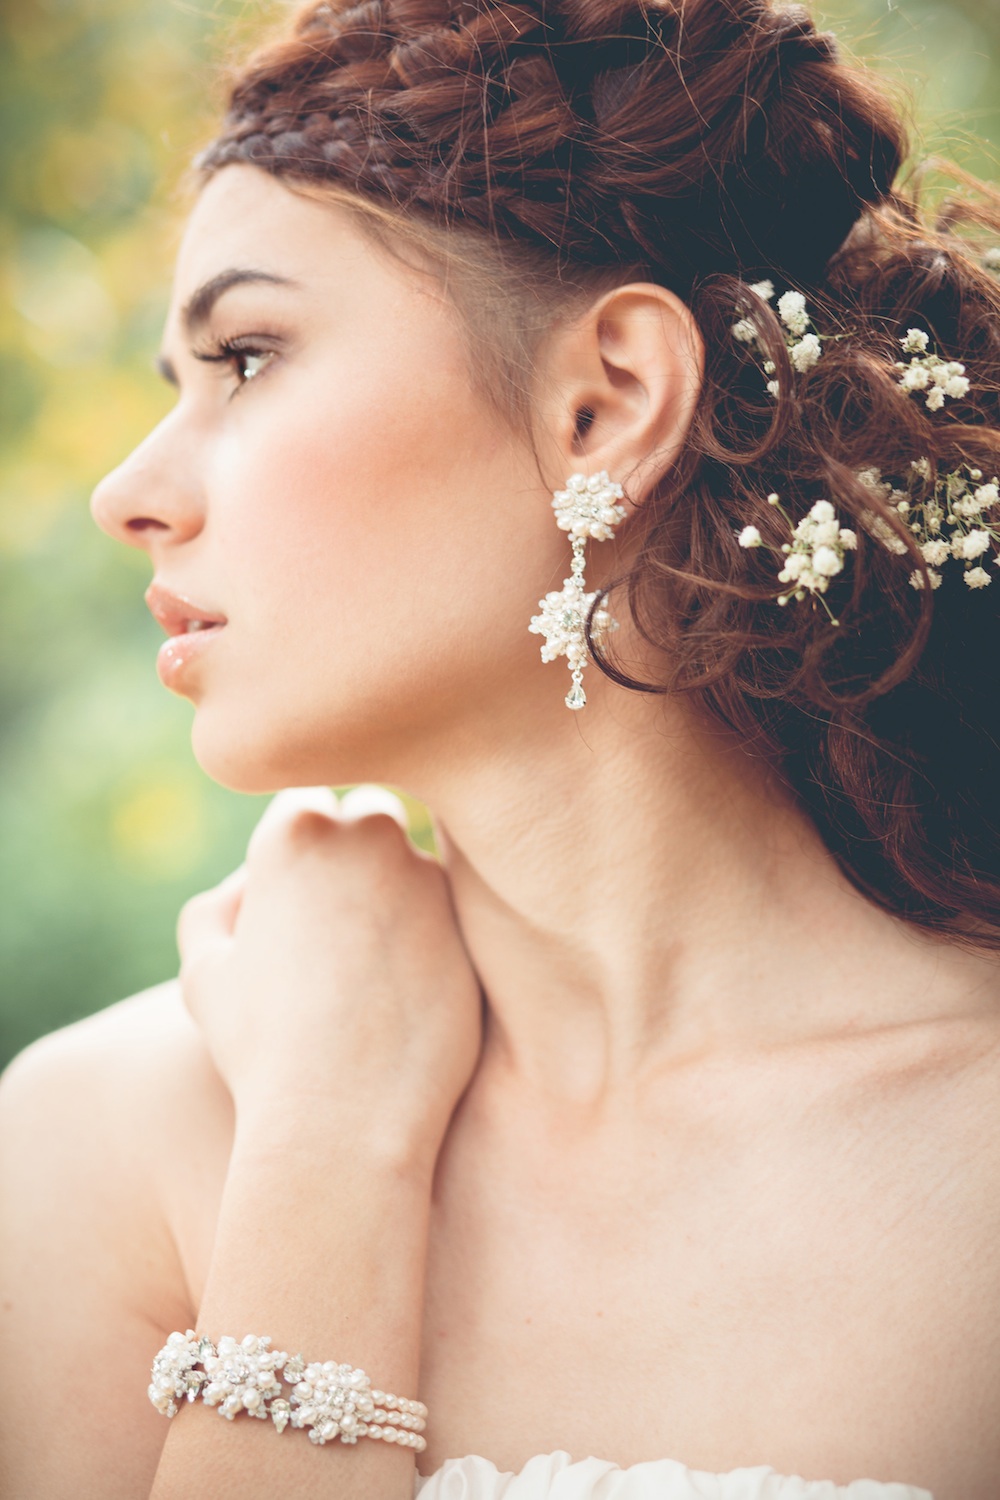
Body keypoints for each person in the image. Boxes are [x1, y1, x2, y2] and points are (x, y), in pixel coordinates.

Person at [2, 0, 1000, 1494]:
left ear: (605, 403)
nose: (129, 494)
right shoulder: (102, 1144)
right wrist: (326, 1146)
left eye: (250, 356)